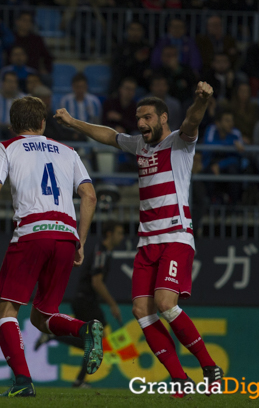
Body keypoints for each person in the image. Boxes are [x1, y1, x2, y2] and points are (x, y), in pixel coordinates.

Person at [54, 82, 224, 397]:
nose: (141, 123)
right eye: (138, 118)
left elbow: (192, 120)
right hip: (147, 243)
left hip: (175, 236)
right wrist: (74, 123)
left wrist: (202, 99)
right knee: (141, 312)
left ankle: (209, 365)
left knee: (164, 304)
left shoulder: (180, 143)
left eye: (147, 117)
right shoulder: (140, 145)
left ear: (163, 118)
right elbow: (108, 135)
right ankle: (179, 380)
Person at [0, 96, 103, 397]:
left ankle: (23, 382)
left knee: (6, 309)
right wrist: (81, 240)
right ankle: (84, 330)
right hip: (65, 235)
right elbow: (90, 196)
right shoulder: (68, 150)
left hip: (33, 231)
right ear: (43, 123)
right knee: (42, 315)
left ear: (11, 124)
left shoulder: (7, 147)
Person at [35, 221, 125, 388]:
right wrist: (113, 305)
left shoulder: (104, 252)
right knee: (96, 338)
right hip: (86, 300)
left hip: (85, 300)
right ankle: (79, 379)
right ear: (109, 234)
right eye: (119, 232)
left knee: (91, 339)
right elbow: (97, 282)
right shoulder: (101, 252)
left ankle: (78, 378)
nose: (122, 236)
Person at [201, 109, 244, 205]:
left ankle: (234, 206)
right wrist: (231, 144)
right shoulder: (211, 129)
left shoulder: (236, 133)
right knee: (208, 172)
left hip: (227, 165)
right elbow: (208, 146)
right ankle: (210, 205)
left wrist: (219, 165)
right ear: (218, 123)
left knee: (233, 170)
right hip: (211, 164)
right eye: (227, 120)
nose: (231, 124)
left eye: (231, 121)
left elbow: (238, 158)